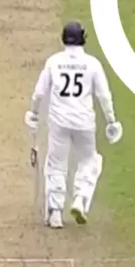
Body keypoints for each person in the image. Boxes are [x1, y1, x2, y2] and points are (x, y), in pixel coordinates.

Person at [27, 21, 122, 228]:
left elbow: (39, 93)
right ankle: (80, 199)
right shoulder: (92, 64)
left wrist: (33, 113)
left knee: (56, 164)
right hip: (84, 122)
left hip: (59, 122)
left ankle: (55, 213)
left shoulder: (54, 62)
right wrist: (111, 120)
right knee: (89, 161)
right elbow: (104, 95)